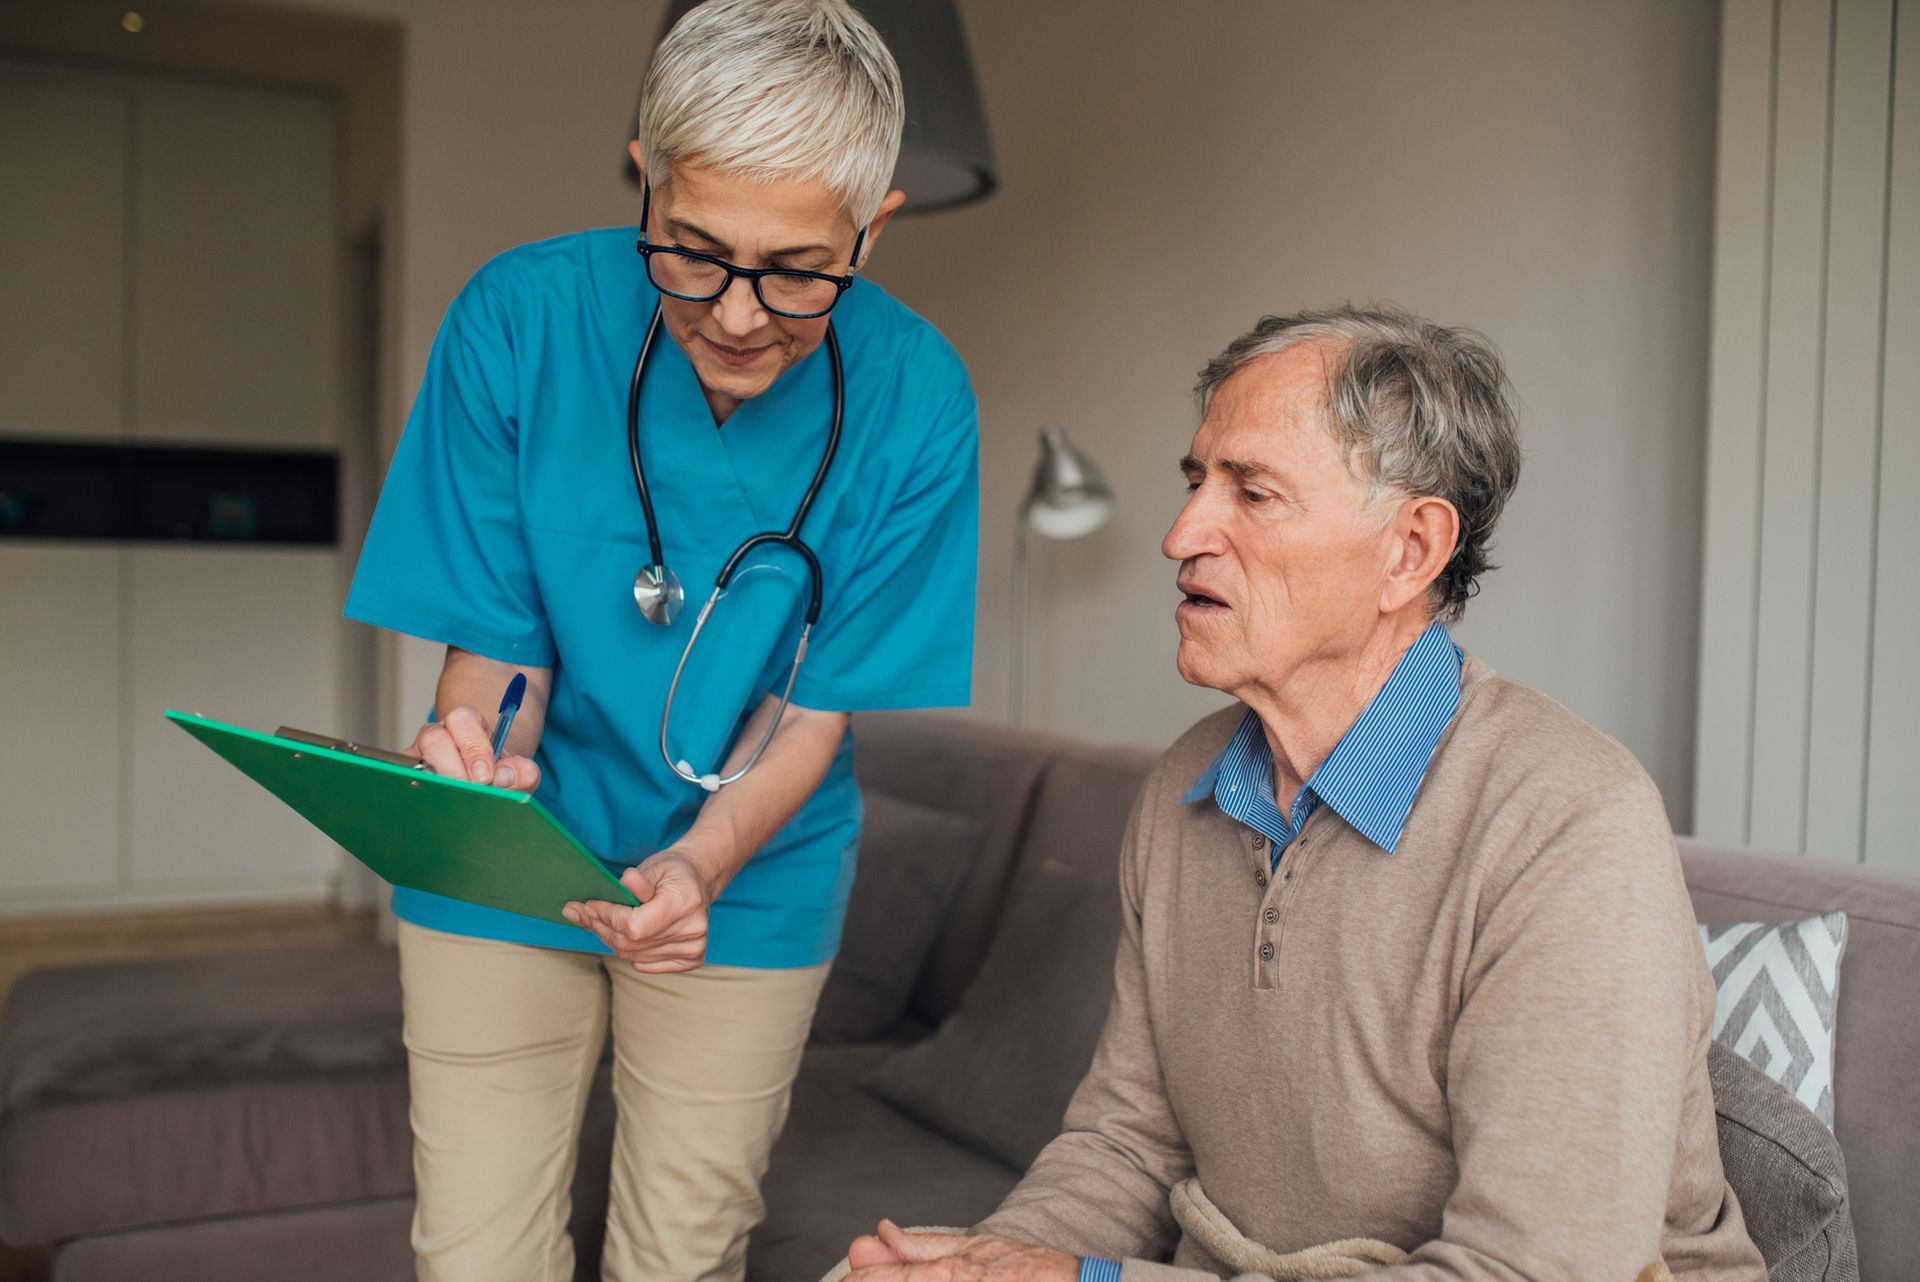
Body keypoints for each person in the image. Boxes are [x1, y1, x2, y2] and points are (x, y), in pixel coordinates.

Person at [841, 306, 1764, 1281]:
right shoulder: (1177, 796)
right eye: (1198, 480)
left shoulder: (1569, 822)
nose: (1181, 533)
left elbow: (1528, 1272)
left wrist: (1083, 1281)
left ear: (1410, 549)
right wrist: (990, 1260)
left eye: (1254, 493)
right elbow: (1125, 1145)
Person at [344, 2, 978, 1277]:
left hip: (754, 874)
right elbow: (499, 643)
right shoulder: (517, 322)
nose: (740, 315)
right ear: (646, 176)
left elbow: (812, 709)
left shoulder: (917, 398)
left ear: (875, 225)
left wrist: (702, 862)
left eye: (800, 269)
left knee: (682, 1254)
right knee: (474, 1251)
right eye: (690, 251)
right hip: (506, 859)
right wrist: (480, 755)